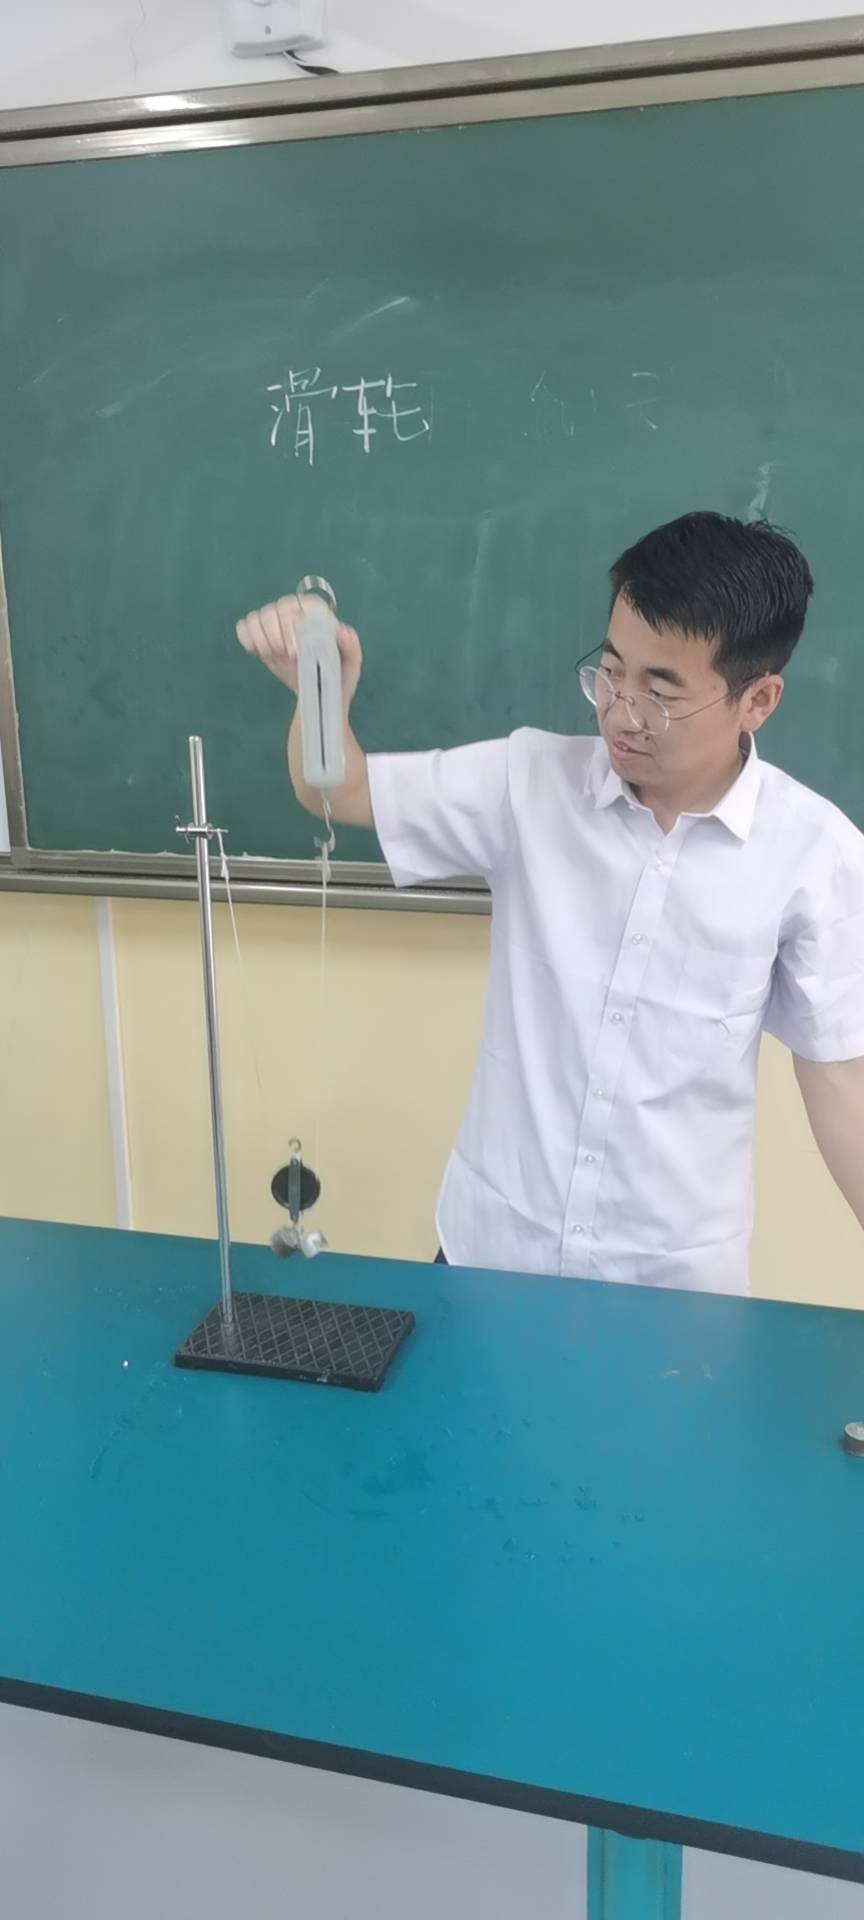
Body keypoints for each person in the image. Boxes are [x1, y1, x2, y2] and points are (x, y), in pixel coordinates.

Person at [237, 512, 864, 1294]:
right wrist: (319, 688)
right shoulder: (529, 782)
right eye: (611, 672)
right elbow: (339, 791)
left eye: (661, 693)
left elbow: (842, 1085)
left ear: (758, 699)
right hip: (490, 1253)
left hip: (672, 1289)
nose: (621, 714)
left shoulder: (815, 855)